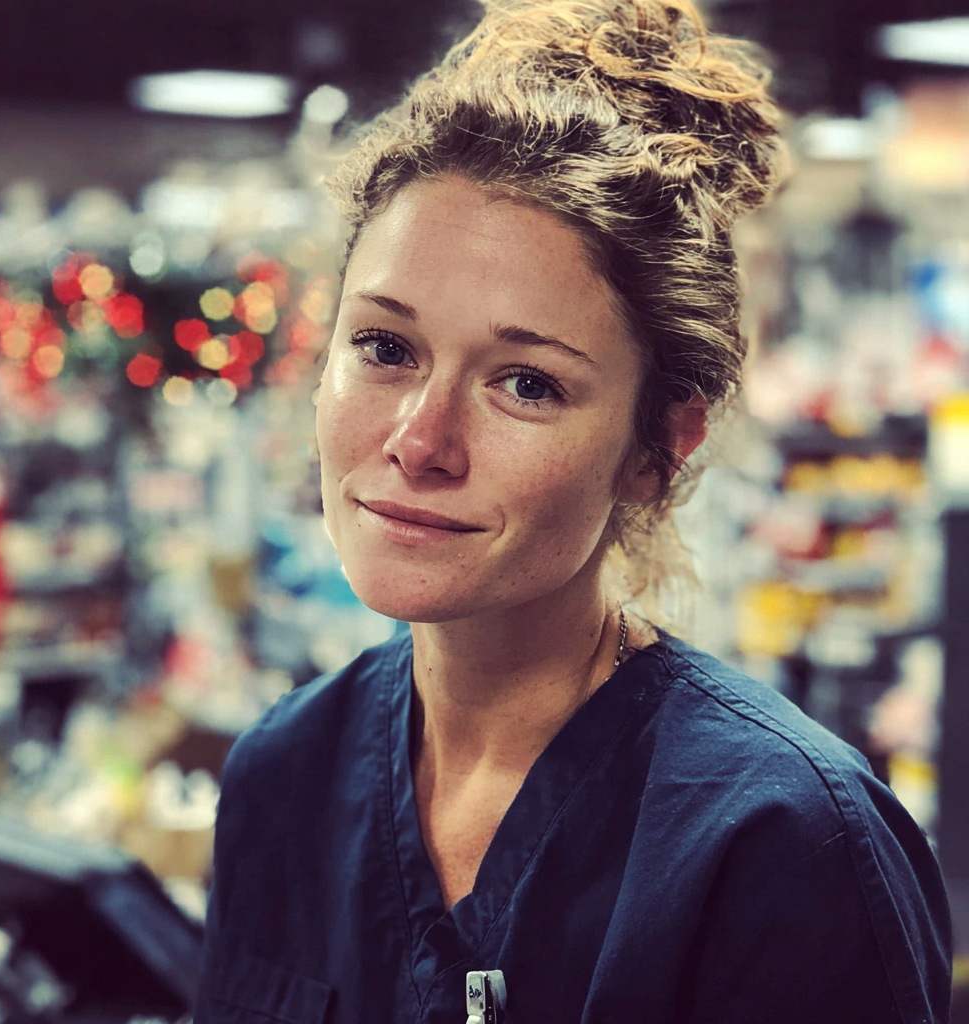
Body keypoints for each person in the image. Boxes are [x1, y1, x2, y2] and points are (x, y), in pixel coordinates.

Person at [194, 1, 952, 1021]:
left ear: (657, 449)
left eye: (527, 384)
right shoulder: (283, 776)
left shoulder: (783, 841)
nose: (419, 440)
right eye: (384, 347)